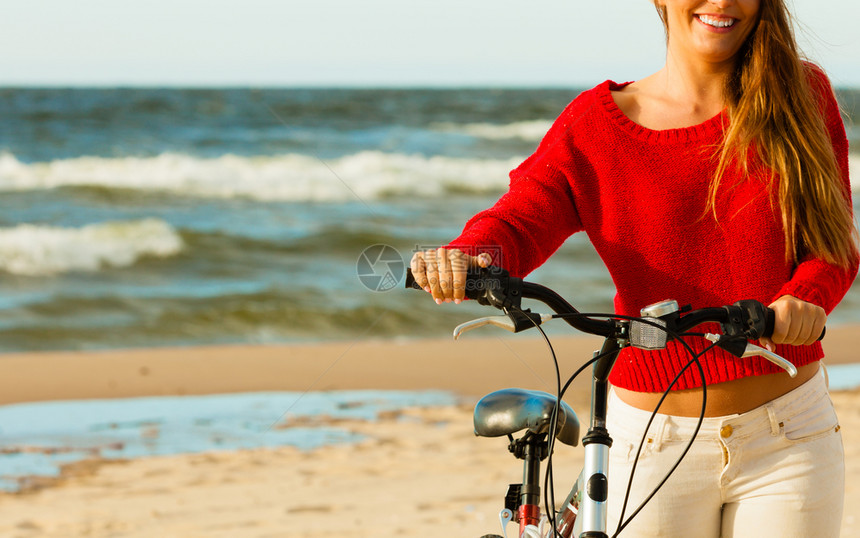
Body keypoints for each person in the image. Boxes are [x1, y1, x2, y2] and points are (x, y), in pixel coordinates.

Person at [409, 0, 858, 536]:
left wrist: (806, 296)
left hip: (788, 435)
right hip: (650, 440)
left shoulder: (801, 96)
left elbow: (833, 242)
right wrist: (470, 255)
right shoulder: (596, 124)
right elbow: (521, 218)